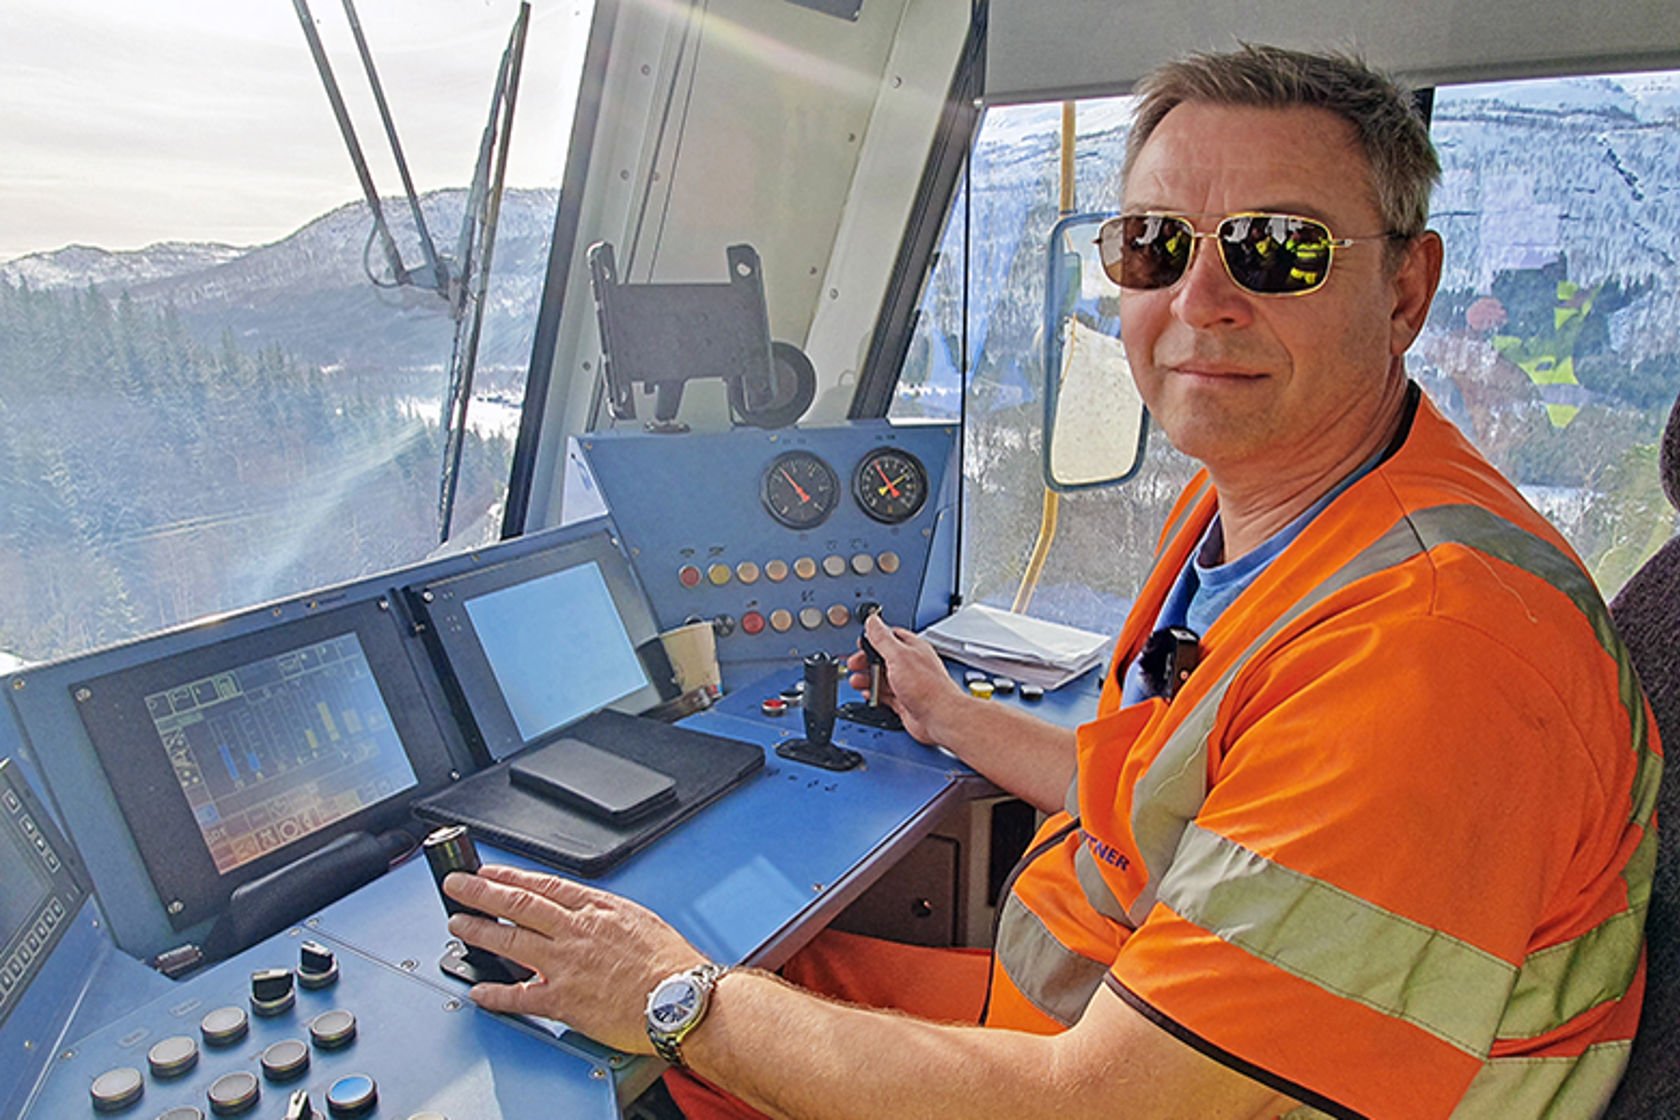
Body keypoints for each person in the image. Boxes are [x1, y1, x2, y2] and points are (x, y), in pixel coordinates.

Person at [443, 44, 1659, 1118]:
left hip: (1117, 1081)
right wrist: (953, 718)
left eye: (1281, 249)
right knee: (706, 990)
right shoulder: (1275, 505)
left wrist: (669, 998)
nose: (1198, 301)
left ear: (1405, 288)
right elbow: (1182, 795)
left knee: (651, 1037)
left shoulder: (1432, 649)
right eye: (1155, 243)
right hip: (1088, 1015)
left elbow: (1116, 1106)